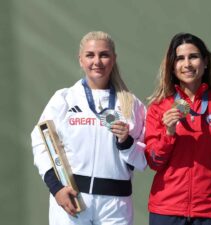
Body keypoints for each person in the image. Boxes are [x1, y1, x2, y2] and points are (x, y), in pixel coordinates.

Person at [30, 31, 147, 225]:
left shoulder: (131, 105)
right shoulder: (64, 99)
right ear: (80, 60)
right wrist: (56, 188)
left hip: (116, 204)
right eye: (90, 55)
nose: (97, 61)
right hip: (73, 199)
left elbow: (143, 159)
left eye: (104, 55)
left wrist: (126, 142)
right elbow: (41, 144)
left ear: (114, 59)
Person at [144, 33, 211, 225]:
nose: (187, 64)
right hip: (167, 208)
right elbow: (154, 161)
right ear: (172, 66)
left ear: (205, 62)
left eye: (193, 57)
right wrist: (168, 133)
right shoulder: (159, 107)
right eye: (180, 58)